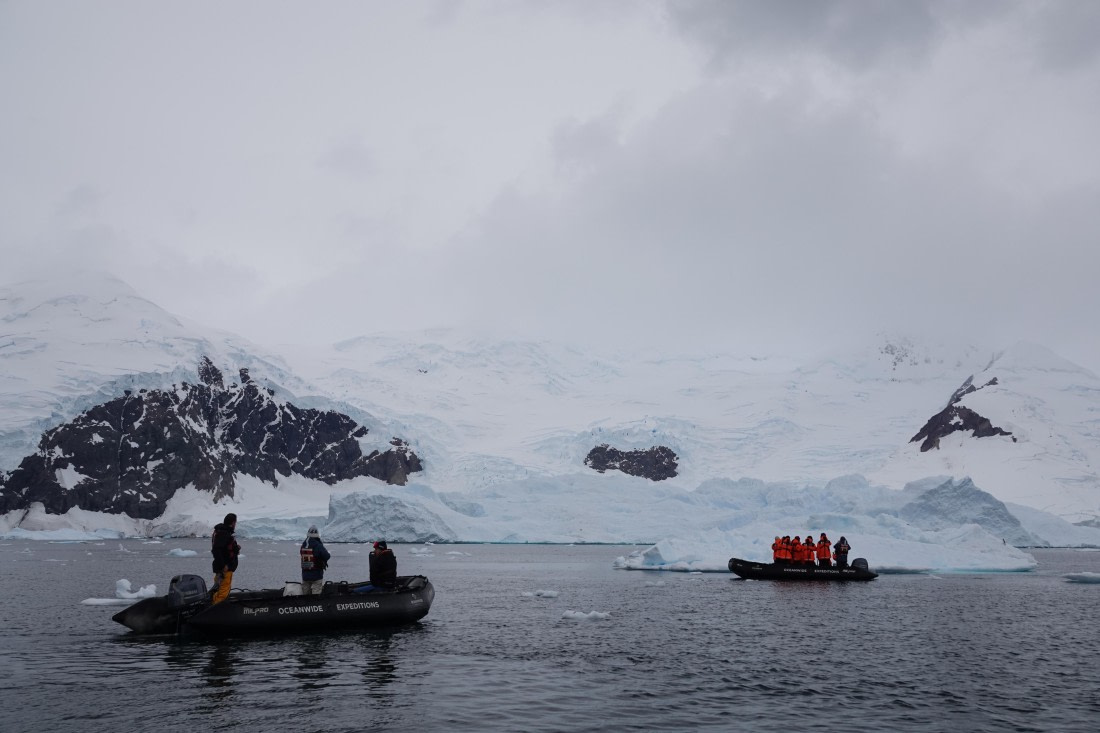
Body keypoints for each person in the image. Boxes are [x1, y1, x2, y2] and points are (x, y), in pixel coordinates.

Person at [210, 513, 240, 604]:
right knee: (223, 593)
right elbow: (216, 550)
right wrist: (223, 565)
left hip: (224, 568)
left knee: (220, 590)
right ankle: (214, 613)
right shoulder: (224, 533)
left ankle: (212, 605)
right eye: (235, 522)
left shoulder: (223, 532)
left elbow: (225, 549)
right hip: (225, 569)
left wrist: (236, 549)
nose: (235, 525)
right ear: (233, 523)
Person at [300, 525, 331, 595]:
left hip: (305, 574)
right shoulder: (318, 545)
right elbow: (327, 556)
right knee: (316, 595)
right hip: (316, 574)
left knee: (305, 594)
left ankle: (305, 605)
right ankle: (316, 605)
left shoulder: (304, 545)